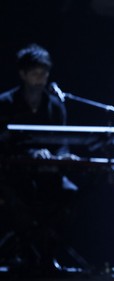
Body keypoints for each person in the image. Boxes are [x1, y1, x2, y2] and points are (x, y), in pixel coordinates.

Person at [0, 43, 78, 276]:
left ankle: (47, 255)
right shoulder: (5, 103)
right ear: (23, 74)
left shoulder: (55, 106)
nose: (40, 79)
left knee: (68, 193)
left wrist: (64, 156)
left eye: (44, 73)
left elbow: (62, 142)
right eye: (35, 73)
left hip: (47, 173)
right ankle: (26, 253)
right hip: (12, 172)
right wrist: (29, 154)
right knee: (20, 196)